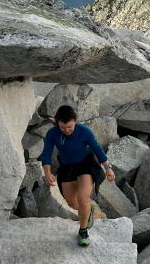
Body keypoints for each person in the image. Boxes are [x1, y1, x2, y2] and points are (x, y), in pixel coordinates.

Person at [40, 105, 116, 246]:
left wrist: (107, 168)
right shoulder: (52, 133)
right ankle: (89, 209)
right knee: (72, 202)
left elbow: (97, 149)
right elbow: (46, 153)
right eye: (63, 128)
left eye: (69, 127)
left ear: (75, 121)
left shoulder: (84, 132)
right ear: (57, 124)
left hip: (85, 165)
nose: (66, 130)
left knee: (83, 198)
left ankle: (83, 231)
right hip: (67, 168)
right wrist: (47, 172)